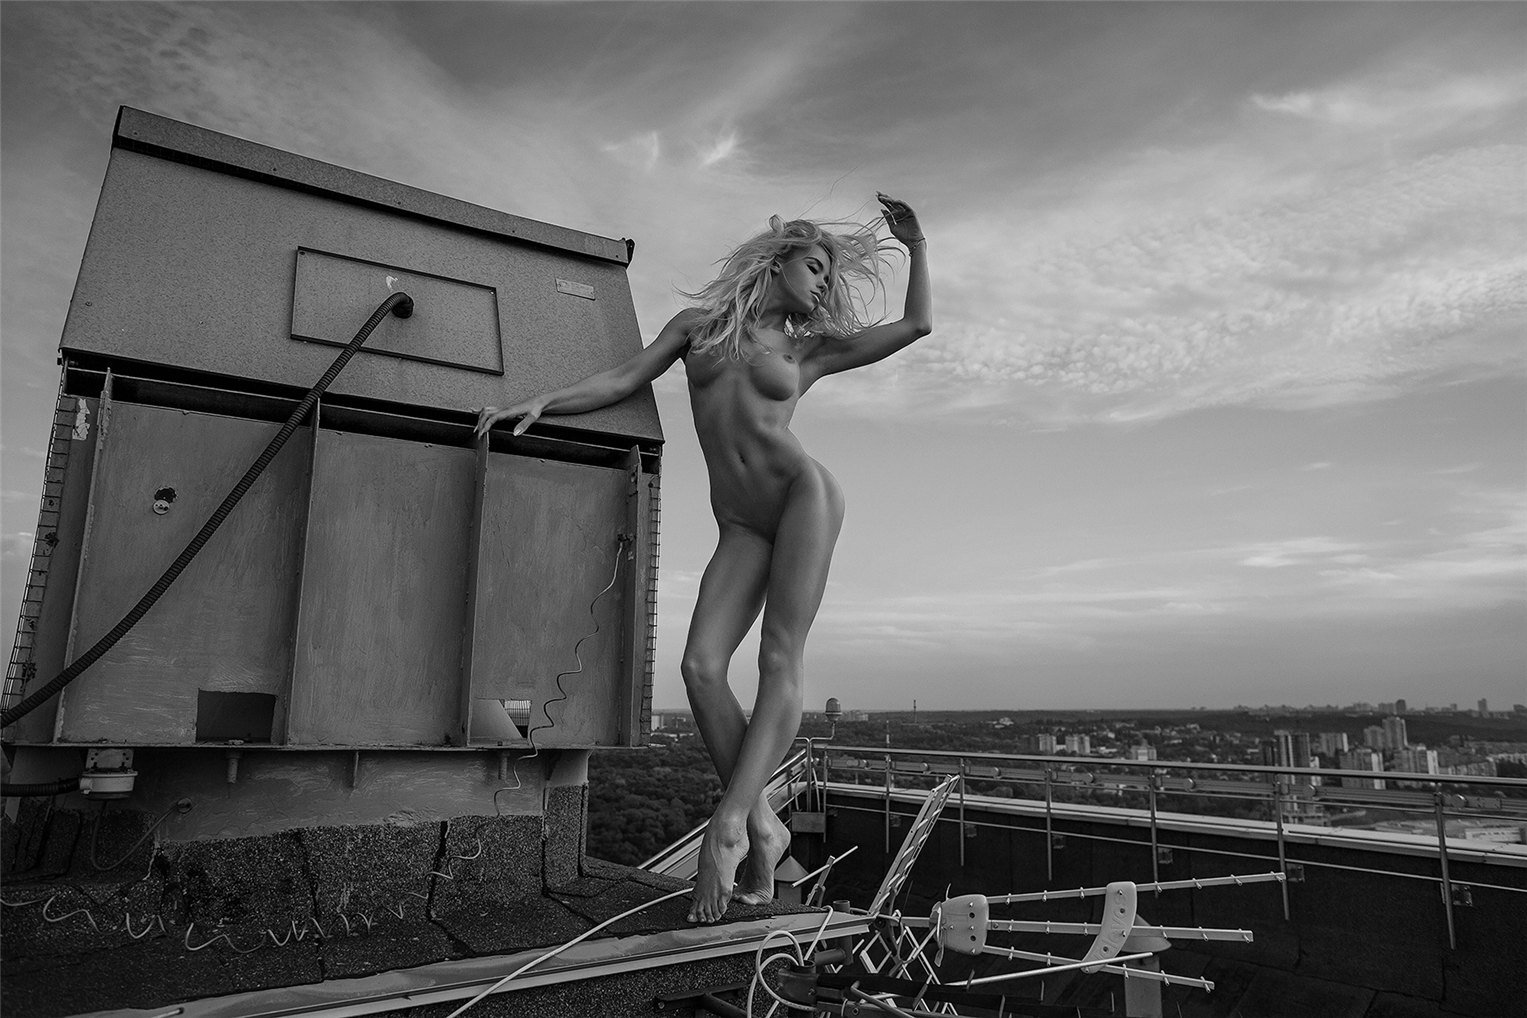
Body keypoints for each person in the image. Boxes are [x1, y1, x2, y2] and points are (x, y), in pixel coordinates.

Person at [477, 193, 931, 923]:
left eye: (828, 274)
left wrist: (916, 245)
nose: (822, 283)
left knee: (779, 656)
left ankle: (729, 827)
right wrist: (540, 403)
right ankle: (764, 825)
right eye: (814, 266)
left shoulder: (806, 351)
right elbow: (622, 380)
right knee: (699, 668)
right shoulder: (697, 329)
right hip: (740, 524)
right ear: (775, 261)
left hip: (802, 495)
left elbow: (915, 325)